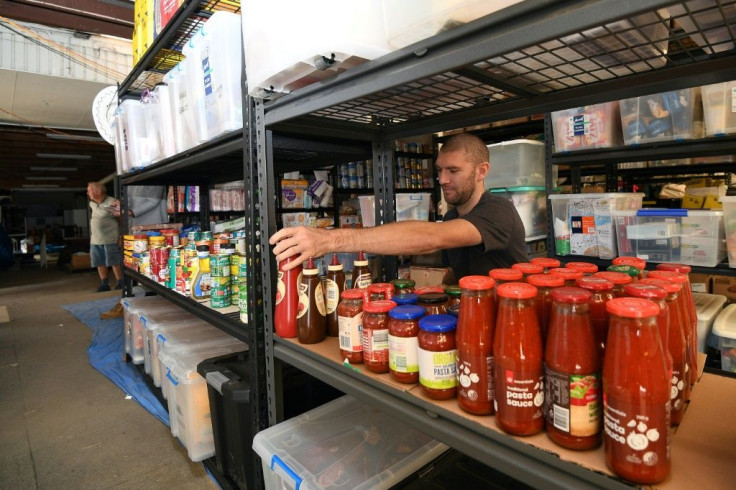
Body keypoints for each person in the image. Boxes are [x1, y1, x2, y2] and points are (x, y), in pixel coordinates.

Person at [270, 133, 529, 282]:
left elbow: (431, 238)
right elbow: (456, 277)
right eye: (439, 170)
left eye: (454, 171)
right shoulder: (452, 216)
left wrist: (328, 240)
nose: (443, 180)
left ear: (482, 171)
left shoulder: (499, 210)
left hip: (512, 319)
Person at [100, 185, 168, 319]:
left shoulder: (151, 175)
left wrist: (129, 211)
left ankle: (149, 304)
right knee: (135, 267)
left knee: (153, 268)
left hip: (153, 229)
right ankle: (131, 303)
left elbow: (154, 201)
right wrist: (120, 204)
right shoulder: (132, 178)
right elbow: (129, 201)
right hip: (135, 229)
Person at [87, 181, 123, 292]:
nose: (87, 193)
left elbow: (122, 218)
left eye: (89, 190)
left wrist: (121, 236)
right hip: (96, 240)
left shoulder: (111, 202)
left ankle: (121, 283)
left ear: (98, 191)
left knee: (115, 262)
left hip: (110, 239)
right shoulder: (92, 203)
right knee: (100, 262)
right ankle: (104, 284)